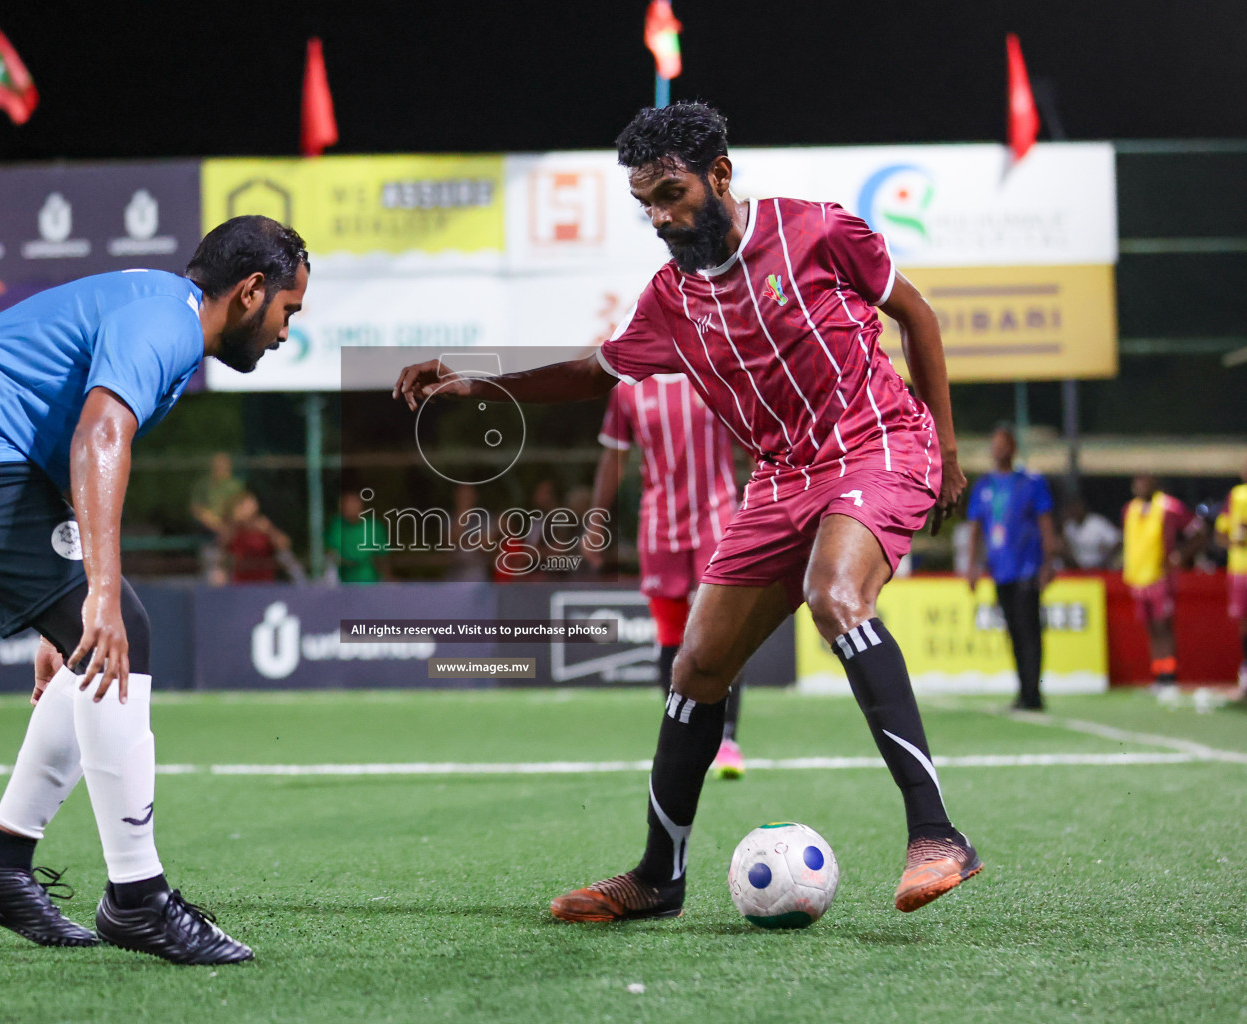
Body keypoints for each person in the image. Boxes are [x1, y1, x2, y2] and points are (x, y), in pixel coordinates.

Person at [394, 101, 977, 921]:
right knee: (696, 668)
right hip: (780, 481)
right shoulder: (670, 299)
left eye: (672, 193)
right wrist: (476, 380)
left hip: (877, 445)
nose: (663, 217)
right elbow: (595, 372)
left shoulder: (818, 231)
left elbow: (916, 314)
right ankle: (658, 876)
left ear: (721, 175)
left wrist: (947, 450)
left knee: (835, 595)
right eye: (648, 205)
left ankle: (937, 833)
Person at [0, 216, 309, 964]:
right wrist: (95, 593)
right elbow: (99, 438)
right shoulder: (164, 321)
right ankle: (138, 899)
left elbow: (65, 445)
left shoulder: (158, 313)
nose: (286, 331)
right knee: (117, 627)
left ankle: (1, 867)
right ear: (252, 290)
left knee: (100, 637)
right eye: (288, 311)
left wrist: (58, 618)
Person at [593, 372, 746, 777]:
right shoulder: (628, 387)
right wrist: (595, 520)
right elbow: (614, 455)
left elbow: (756, 431)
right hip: (659, 525)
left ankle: (727, 739)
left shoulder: (712, 368)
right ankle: (681, 737)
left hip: (717, 515)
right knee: (671, 634)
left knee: (720, 631)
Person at [963, 426, 1059, 711]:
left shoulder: (1031, 482)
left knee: (1029, 630)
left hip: (1027, 567)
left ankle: (1033, 693)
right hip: (1000, 569)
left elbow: (1045, 522)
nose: (998, 449)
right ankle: (1023, 691)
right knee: (1014, 632)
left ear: (1013, 448)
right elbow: (976, 528)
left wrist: (1048, 561)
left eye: (1003, 444)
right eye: (994, 444)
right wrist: (972, 566)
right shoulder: (984, 486)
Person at [1122, 475, 1197, 689]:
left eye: (1144, 481)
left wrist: (1180, 556)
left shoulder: (1169, 507)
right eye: (1137, 482)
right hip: (1138, 577)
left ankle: (1169, 675)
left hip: (1161, 576)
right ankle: (1159, 674)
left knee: (1163, 625)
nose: (1140, 486)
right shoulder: (1130, 509)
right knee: (1150, 629)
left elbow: (1197, 530)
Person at [1213, 461, 1247, 696]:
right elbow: (1220, 533)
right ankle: (1245, 674)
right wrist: (1234, 543)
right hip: (1241, 569)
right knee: (1244, 623)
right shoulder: (1236, 495)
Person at [191, 453, 247, 584]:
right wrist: (217, 526)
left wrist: (227, 528)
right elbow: (196, 509)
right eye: (216, 464)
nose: (220, 467)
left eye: (223, 464)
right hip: (209, 534)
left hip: (232, 534)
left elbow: (242, 509)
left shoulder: (235, 485)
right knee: (213, 576)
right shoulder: (203, 485)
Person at [223, 491, 300, 583]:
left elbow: (285, 544)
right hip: (240, 582)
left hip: (264, 581)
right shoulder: (234, 528)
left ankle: (303, 585)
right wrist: (235, 526)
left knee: (286, 556)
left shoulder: (263, 525)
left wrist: (270, 531)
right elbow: (221, 547)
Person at [325, 489, 388, 582]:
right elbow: (331, 553)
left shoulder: (374, 527)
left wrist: (386, 578)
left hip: (369, 582)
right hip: (343, 583)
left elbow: (383, 557)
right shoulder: (337, 526)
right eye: (346, 504)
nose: (349, 507)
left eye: (353, 503)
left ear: (361, 505)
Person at [1061, 496, 1121, 570]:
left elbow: (1117, 540)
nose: (1074, 510)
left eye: (1076, 507)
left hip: (1100, 567)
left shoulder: (1096, 522)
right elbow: (1066, 547)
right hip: (1079, 569)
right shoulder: (1069, 526)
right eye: (1071, 508)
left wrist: (1107, 559)